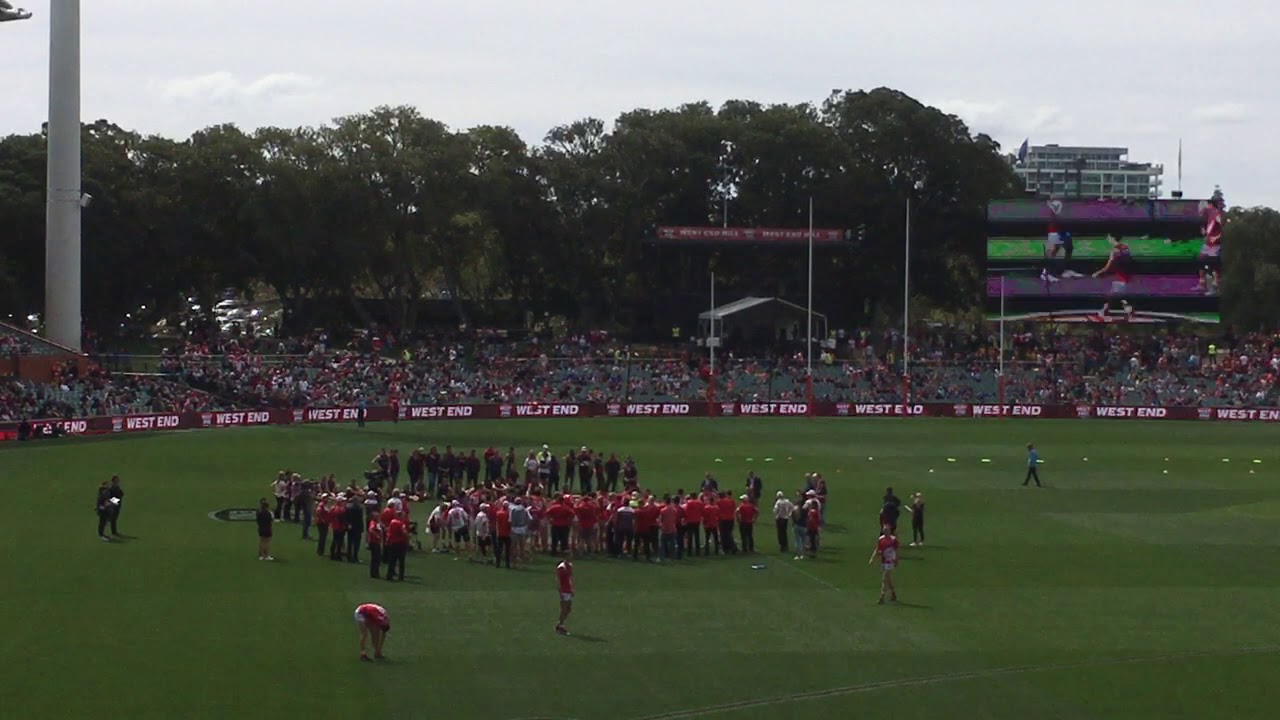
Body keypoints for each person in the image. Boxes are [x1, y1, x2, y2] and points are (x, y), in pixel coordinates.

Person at [1093, 234, 1136, 319]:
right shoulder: (1126, 247)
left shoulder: (1115, 250)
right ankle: (1105, 311)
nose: (1108, 240)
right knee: (1114, 296)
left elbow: (1108, 266)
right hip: (1126, 276)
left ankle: (1128, 312)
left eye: (1109, 238)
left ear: (1113, 238)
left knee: (1112, 297)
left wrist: (1098, 273)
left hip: (1120, 278)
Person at [868, 526, 900, 604]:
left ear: (889, 531)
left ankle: (882, 597)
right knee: (888, 579)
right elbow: (877, 549)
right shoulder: (881, 539)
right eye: (884, 530)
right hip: (884, 561)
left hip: (890, 561)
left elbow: (897, 550)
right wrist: (872, 558)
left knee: (884, 578)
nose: (885, 532)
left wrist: (896, 559)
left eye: (887, 530)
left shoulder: (893, 540)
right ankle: (893, 594)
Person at [385, 514, 408, 581]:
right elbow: (404, 532)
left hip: (392, 543)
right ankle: (401, 576)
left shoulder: (392, 522)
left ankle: (389, 575)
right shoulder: (401, 523)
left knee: (392, 561)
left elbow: (389, 533)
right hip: (400, 544)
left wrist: (387, 541)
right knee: (401, 561)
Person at [555, 557, 573, 636]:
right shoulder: (561, 568)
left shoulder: (570, 566)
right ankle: (561, 626)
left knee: (568, 609)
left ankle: (559, 624)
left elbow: (570, 578)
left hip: (568, 590)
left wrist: (572, 588)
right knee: (564, 609)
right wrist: (560, 592)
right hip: (564, 591)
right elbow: (558, 580)